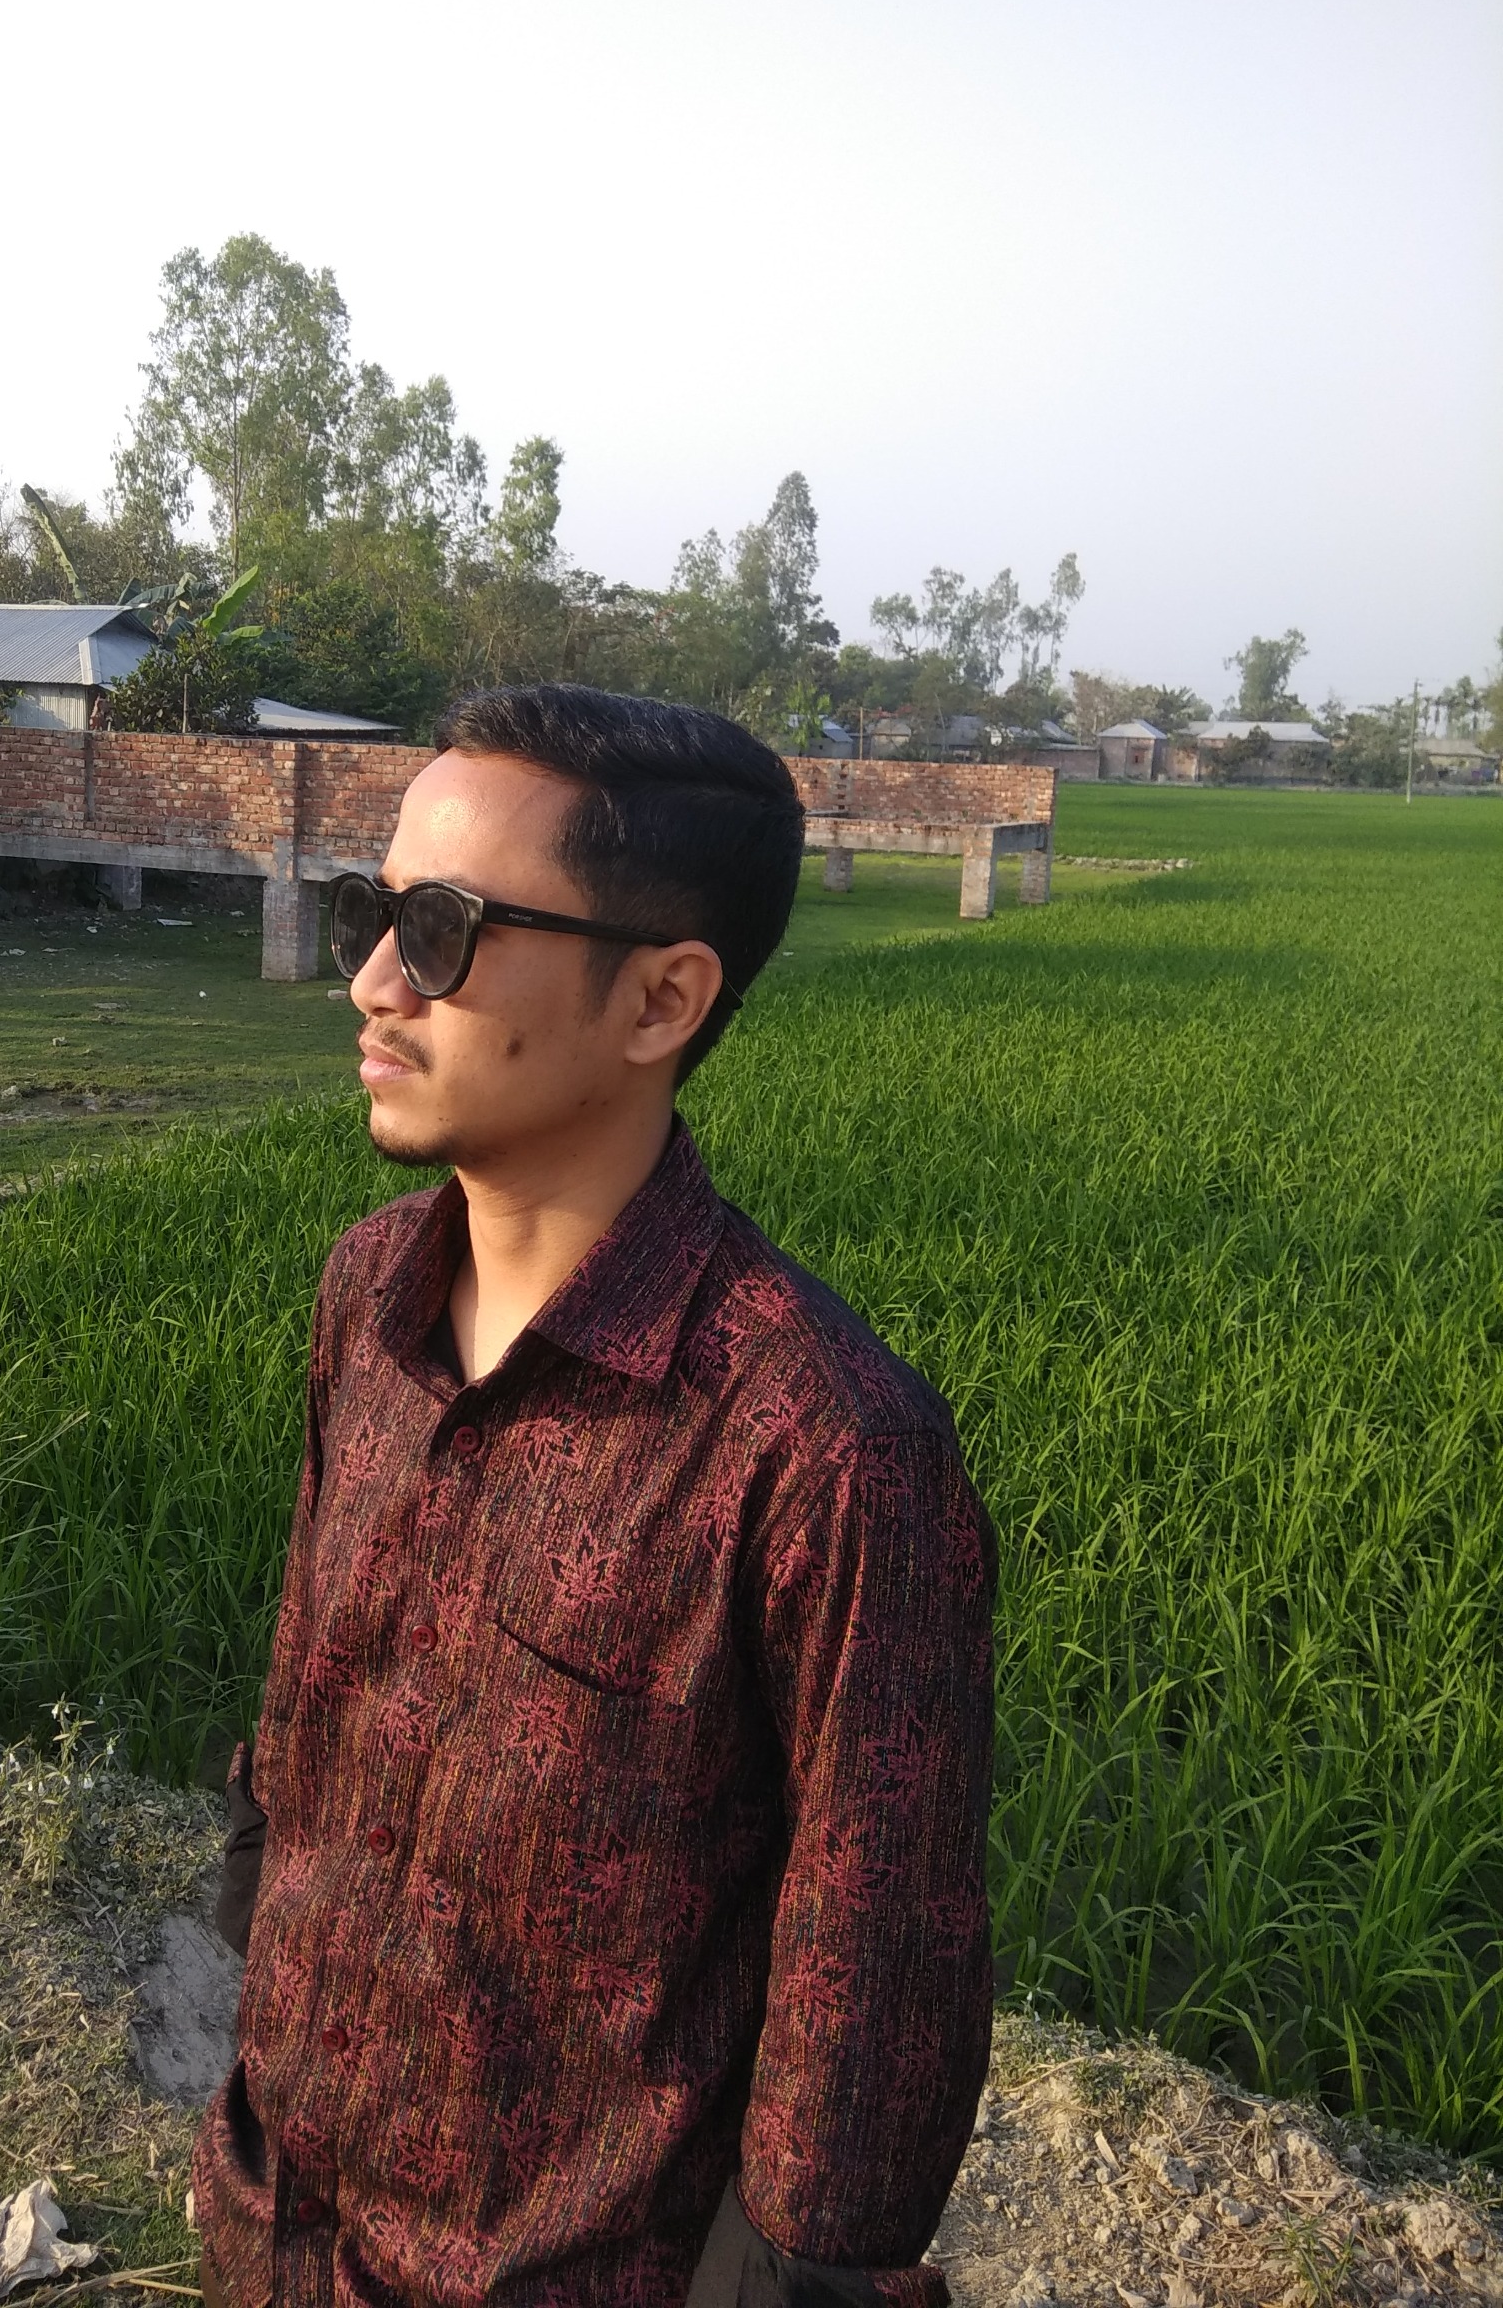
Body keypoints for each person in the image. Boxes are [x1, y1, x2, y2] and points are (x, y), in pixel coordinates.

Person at [192, 684, 996, 2308]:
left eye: (441, 931)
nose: (371, 982)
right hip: (276, 2223)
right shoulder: (368, 1293)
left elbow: (870, 1999)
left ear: (660, 1000)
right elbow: (305, 1698)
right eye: (370, 915)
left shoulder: (826, 1451)